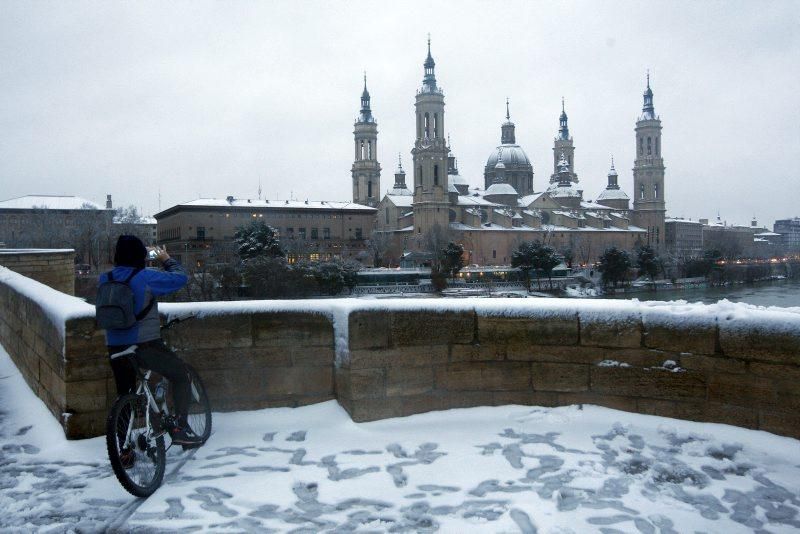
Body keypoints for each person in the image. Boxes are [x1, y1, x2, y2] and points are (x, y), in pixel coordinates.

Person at [100, 235, 202, 446]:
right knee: (180, 375)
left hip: (115, 347)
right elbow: (181, 277)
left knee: (124, 397)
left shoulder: (105, 278)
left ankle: (124, 450)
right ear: (141, 256)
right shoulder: (145, 277)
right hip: (144, 345)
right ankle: (180, 428)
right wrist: (165, 258)